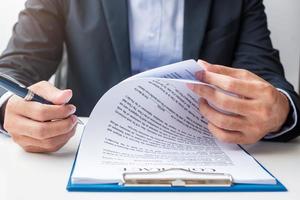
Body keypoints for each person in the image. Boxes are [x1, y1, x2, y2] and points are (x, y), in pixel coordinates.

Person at [0, 0, 299, 153]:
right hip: (86, 149)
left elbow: (265, 78)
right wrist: (7, 109)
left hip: (208, 152)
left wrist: (279, 111)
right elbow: (16, 66)